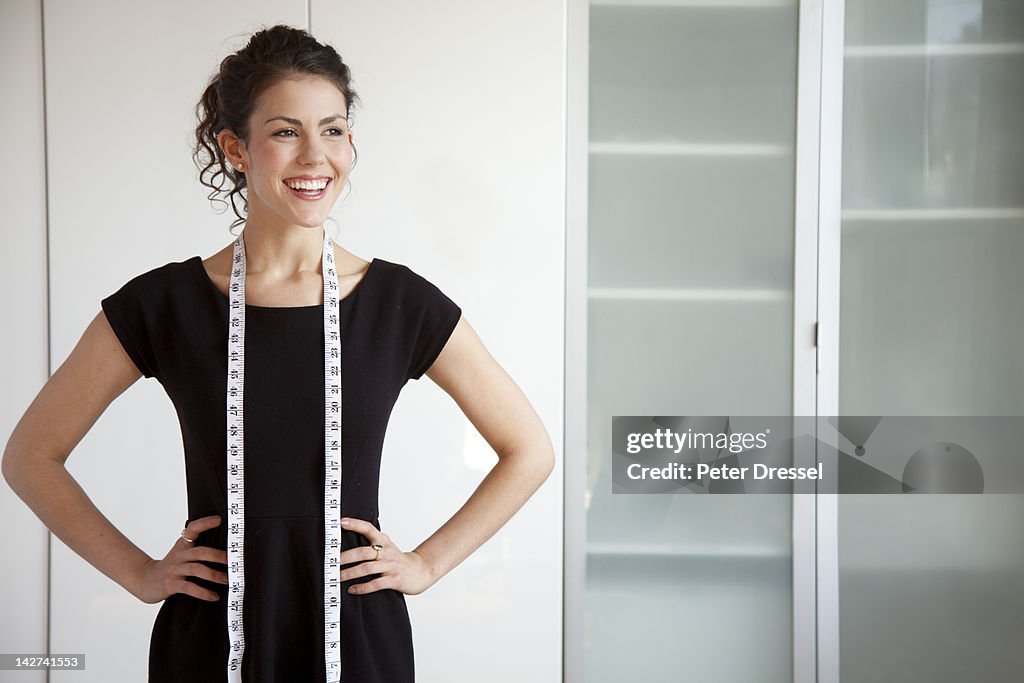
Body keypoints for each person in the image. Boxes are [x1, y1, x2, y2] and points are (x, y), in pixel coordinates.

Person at [1, 24, 554, 683]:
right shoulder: (166, 303)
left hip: (357, 635)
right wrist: (139, 572)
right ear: (235, 147)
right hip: (211, 630)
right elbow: (30, 456)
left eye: (334, 129)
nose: (316, 156)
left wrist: (427, 563)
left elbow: (531, 450)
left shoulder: (399, 303)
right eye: (286, 131)